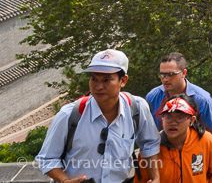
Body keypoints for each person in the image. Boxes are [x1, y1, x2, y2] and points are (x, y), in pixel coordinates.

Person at [36, 49, 161, 183]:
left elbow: (150, 142)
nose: (98, 86)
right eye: (94, 79)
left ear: (123, 80)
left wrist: (155, 177)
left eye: (106, 80)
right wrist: (65, 180)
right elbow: (47, 159)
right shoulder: (70, 114)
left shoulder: (137, 108)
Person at [155, 95, 212, 182]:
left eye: (180, 117)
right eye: (168, 117)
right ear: (162, 119)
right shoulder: (152, 148)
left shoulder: (207, 141)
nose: (173, 122)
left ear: (192, 120)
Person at [146, 52, 212, 135]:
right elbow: (148, 134)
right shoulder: (153, 96)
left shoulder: (202, 100)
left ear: (184, 73)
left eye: (170, 74)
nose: (165, 79)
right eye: (162, 75)